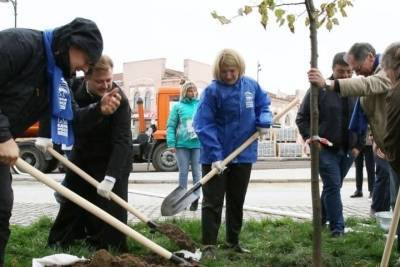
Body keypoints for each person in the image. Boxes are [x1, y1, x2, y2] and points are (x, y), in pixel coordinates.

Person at [0, 18, 122, 267]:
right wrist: (2, 135)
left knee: (1, 208)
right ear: (71, 43)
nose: (84, 69)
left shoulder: (58, 77)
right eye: (86, 61)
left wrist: (99, 109)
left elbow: (70, 118)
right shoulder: (18, 44)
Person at [46, 55, 133, 252]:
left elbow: (122, 141)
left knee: (112, 211)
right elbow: (72, 121)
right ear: (86, 77)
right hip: (83, 154)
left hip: (113, 157)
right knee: (72, 199)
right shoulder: (73, 89)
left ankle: (107, 247)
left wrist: (111, 177)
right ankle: (62, 241)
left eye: (109, 80)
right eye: (99, 81)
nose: (106, 86)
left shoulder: (120, 99)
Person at [193, 48, 272, 258]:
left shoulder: (251, 87)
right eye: (224, 71)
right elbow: (202, 124)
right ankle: (209, 245)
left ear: (239, 69)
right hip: (215, 157)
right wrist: (216, 154)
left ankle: (233, 241)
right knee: (212, 202)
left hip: (243, 155)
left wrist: (264, 121)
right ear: (218, 71)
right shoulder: (212, 91)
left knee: (237, 200)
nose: (228, 75)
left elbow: (264, 105)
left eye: (232, 71)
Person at [307, 42, 395, 217]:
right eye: (352, 70)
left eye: (357, 68)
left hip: (392, 144)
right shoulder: (371, 75)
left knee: (391, 189)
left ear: (370, 57)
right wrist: (378, 142)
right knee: (334, 186)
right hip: (383, 145)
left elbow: (369, 84)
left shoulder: (387, 70)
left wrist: (329, 84)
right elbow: (373, 115)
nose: (356, 73)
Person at [297, 52, 362, 237]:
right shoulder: (319, 89)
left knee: (332, 187)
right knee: (333, 186)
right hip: (325, 150)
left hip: (349, 150)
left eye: (349, 72)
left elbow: (362, 118)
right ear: (333, 69)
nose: (346, 76)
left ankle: (320, 220)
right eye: (341, 71)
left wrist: (359, 145)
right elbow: (302, 118)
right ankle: (338, 229)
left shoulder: (356, 89)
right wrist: (312, 139)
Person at [166, 79, 201, 211]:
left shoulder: (200, 105)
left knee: (197, 173)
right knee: (183, 173)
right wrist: (171, 143)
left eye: (194, 90)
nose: (193, 93)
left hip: (197, 144)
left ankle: (196, 198)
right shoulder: (177, 107)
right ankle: (182, 200)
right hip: (182, 145)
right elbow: (171, 126)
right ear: (185, 92)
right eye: (190, 90)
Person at [351, 126, 375, 198]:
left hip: (369, 143)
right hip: (357, 143)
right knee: (358, 167)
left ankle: (372, 190)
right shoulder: (356, 114)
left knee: (370, 167)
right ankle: (358, 190)